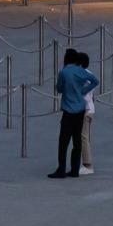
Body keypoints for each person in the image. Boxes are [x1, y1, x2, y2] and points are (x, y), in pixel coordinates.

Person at [47, 49, 95, 179]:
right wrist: (84, 90)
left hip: (68, 110)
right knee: (77, 141)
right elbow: (95, 80)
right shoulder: (82, 71)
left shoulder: (64, 72)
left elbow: (59, 89)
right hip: (80, 110)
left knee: (63, 141)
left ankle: (61, 169)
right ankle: (74, 169)